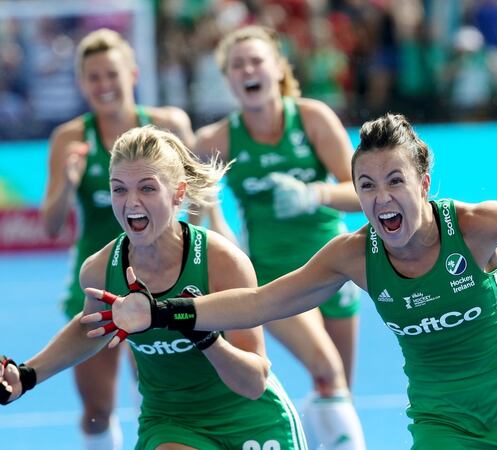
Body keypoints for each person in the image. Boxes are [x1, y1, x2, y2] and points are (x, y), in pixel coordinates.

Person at [80, 113, 497, 449]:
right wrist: (165, 314)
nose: (380, 197)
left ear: (423, 181)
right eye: (365, 185)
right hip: (442, 420)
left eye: (394, 181)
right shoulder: (353, 256)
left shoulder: (474, 227)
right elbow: (256, 304)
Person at [2, 126, 308, 450]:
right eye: (119, 190)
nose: (131, 202)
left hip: (250, 418)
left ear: (178, 193)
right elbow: (90, 328)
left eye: (147, 188)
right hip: (171, 423)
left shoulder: (222, 263)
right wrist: (27, 375)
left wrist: (199, 332)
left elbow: (253, 383)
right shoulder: (100, 270)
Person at [192, 25, 365, 449]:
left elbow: (362, 193)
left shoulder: (312, 119)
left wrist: (315, 193)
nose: (248, 70)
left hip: (336, 266)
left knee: (337, 386)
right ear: (228, 79)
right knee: (326, 368)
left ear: (278, 69)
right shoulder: (215, 139)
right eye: (237, 65)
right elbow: (193, 217)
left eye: (256, 61)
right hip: (276, 274)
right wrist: (217, 226)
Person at [39, 28, 196, 450]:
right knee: (96, 411)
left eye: (112, 74)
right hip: (97, 284)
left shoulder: (168, 125)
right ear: (81, 84)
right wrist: (68, 185)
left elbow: (196, 201)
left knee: (173, 401)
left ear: (133, 73)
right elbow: (51, 226)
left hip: (169, 279)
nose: (105, 85)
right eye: (94, 77)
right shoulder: (70, 139)